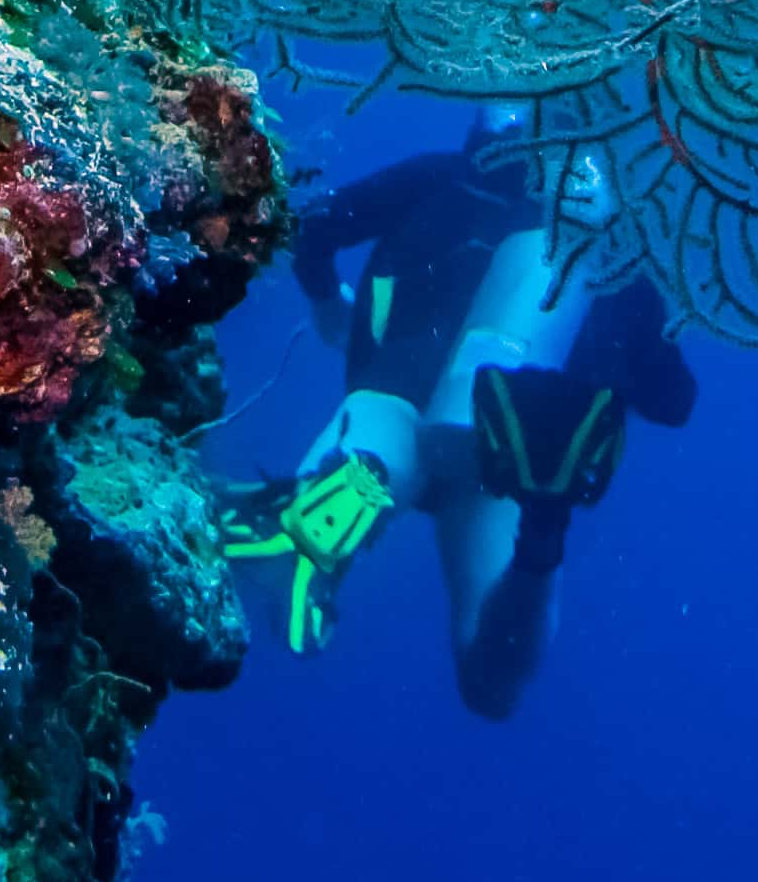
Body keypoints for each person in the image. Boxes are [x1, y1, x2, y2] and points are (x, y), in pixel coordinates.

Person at [222, 110, 696, 720]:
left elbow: (313, 229)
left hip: (395, 386)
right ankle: (541, 535)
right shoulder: (600, 253)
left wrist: (325, 302)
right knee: (490, 684)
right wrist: (618, 348)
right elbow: (675, 402)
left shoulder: (438, 178)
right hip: (507, 461)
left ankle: (320, 516)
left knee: (391, 421)